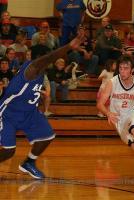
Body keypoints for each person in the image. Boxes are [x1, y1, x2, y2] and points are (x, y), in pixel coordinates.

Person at [0, 31, 85, 179]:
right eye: (47, 59)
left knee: (47, 136)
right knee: (9, 150)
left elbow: (28, 93)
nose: (50, 61)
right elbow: (49, 57)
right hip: (9, 113)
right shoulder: (32, 69)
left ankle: (29, 162)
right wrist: (68, 47)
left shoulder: (40, 74)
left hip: (28, 112)